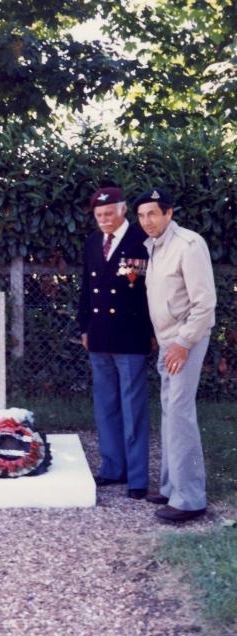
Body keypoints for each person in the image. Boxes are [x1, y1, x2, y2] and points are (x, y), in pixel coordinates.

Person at [134, 187, 216, 523]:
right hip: (169, 340)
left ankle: (191, 498)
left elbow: (204, 303)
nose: (146, 221)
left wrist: (182, 343)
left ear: (169, 213)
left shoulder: (188, 244)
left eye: (153, 213)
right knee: (170, 411)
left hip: (186, 339)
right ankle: (171, 488)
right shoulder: (155, 247)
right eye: (140, 215)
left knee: (180, 412)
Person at [77, 186, 154, 499]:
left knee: (133, 408)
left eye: (109, 213)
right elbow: (86, 288)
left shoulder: (142, 241)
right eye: (98, 215)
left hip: (131, 335)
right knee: (105, 405)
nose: (104, 219)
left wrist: (152, 333)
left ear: (123, 211)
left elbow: (148, 293)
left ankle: (137, 478)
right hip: (99, 335)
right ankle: (112, 468)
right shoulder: (93, 243)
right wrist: (84, 327)